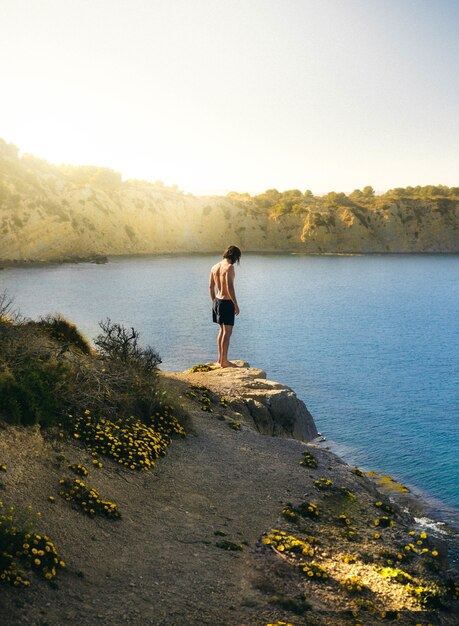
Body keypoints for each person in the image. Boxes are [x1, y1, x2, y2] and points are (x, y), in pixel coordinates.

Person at [209, 245, 241, 367]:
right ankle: (224, 361)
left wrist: (214, 302)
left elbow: (211, 287)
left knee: (221, 330)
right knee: (227, 333)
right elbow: (230, 288)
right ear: (235, 256)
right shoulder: (229, 268)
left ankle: (220, 359)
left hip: (217, 300)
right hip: (227, 302)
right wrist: (235, 305)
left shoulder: (214, 267)